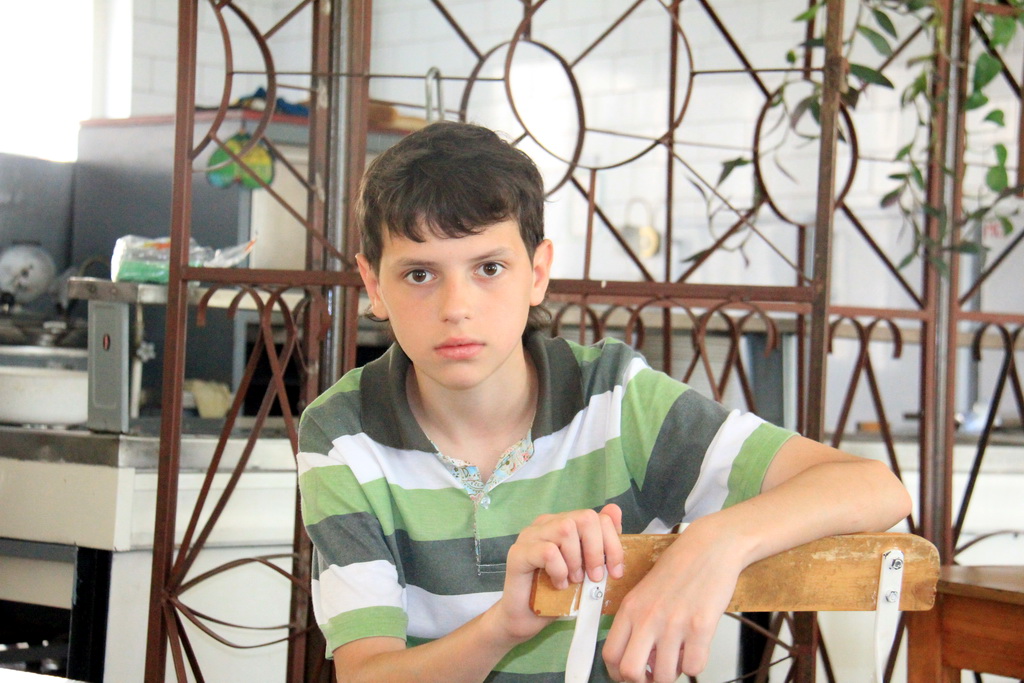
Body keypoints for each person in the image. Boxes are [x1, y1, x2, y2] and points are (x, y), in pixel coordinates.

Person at [296, 120, 911, 683]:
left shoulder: (615, 399)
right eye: (420, 274)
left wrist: (712, 543)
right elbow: (365, 676)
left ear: (538, 272)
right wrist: (505, 624)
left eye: (488, 268)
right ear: (374, 284)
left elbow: (874, 488)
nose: (456, 307)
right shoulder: (343, 431)